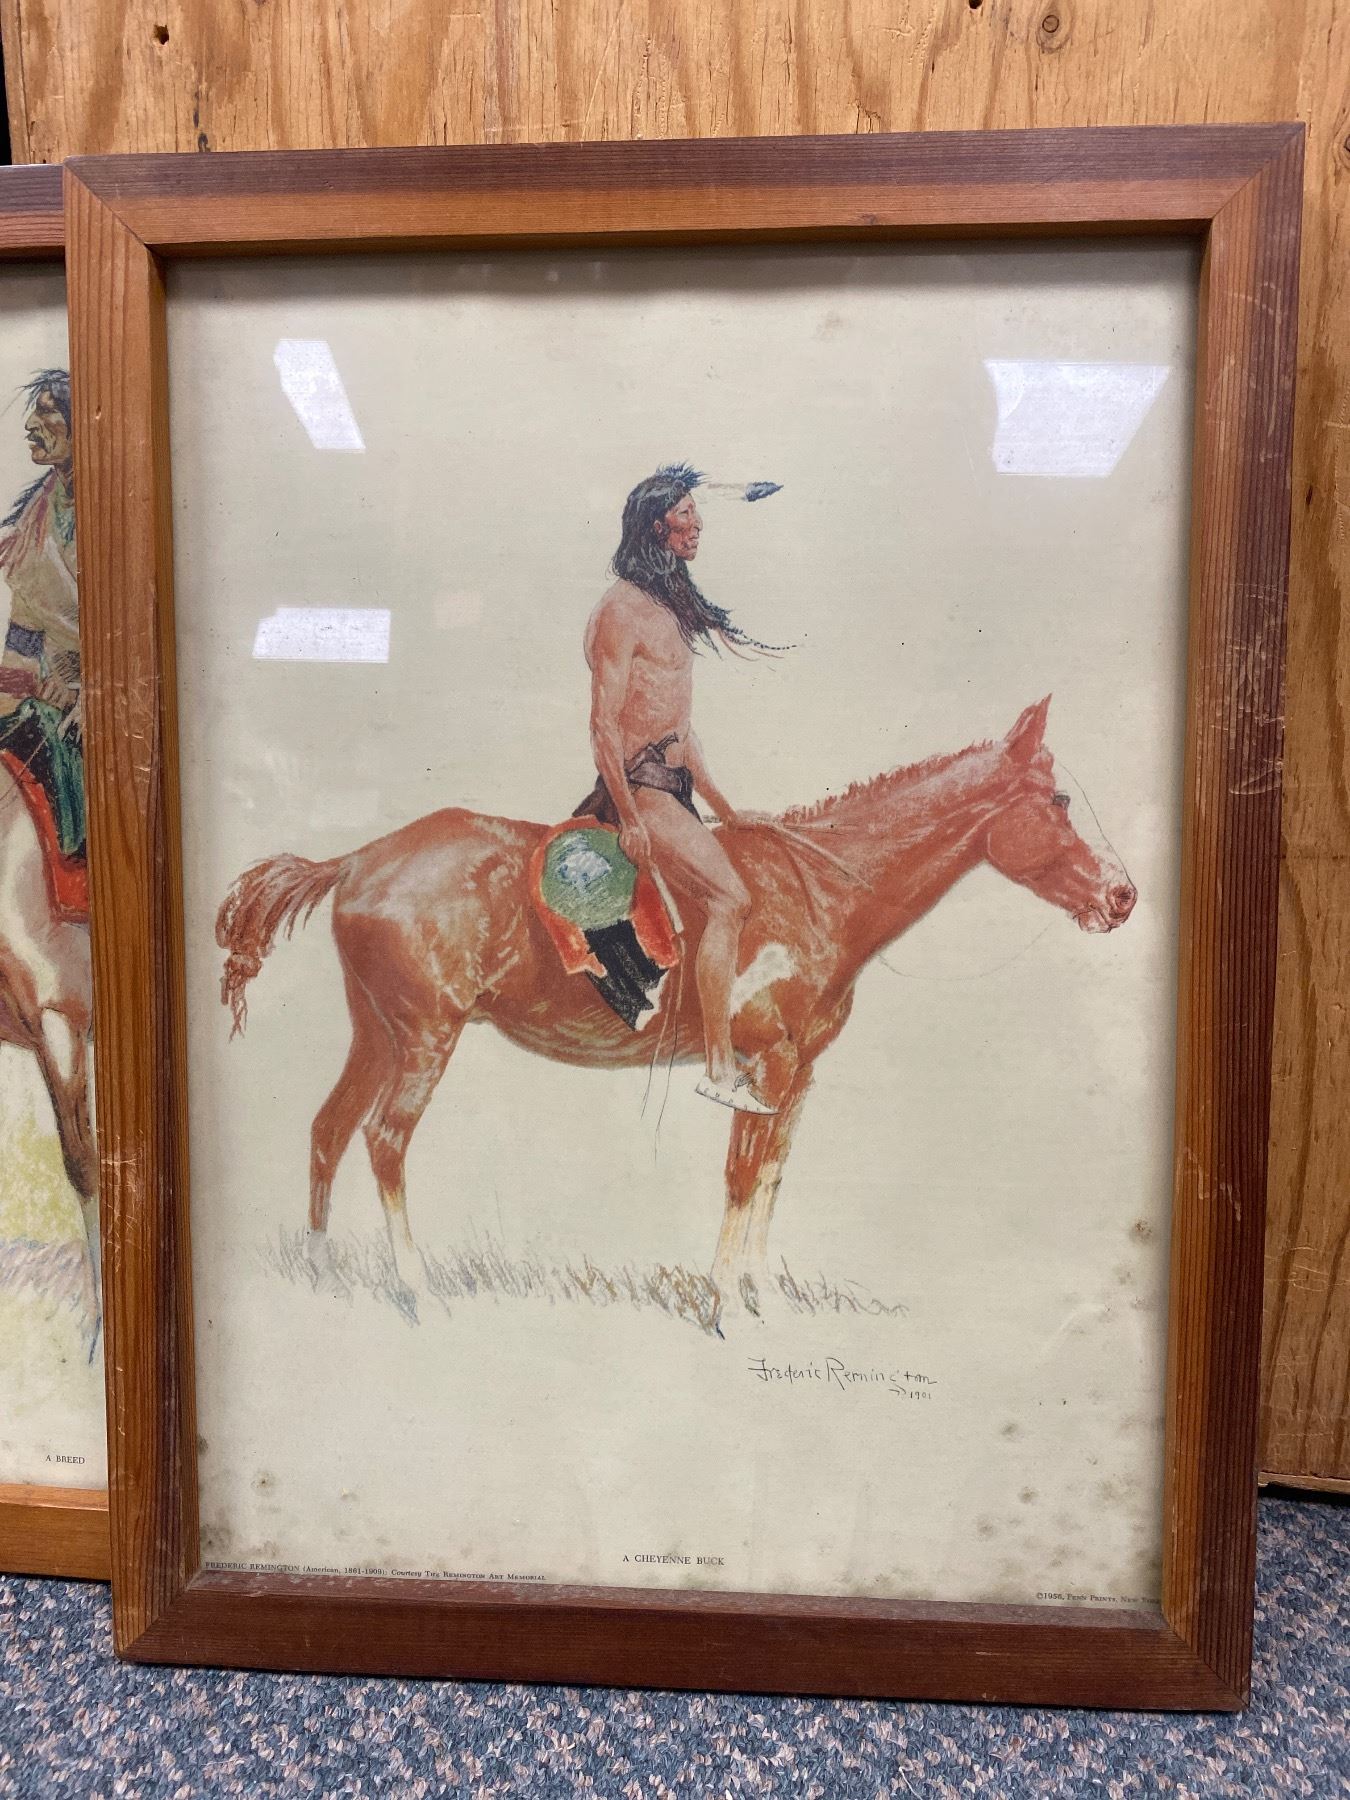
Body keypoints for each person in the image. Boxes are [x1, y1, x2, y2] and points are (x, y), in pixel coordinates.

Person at [577, 463, 776, 1114]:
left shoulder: (667, 607)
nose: (698, 525)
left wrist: (727, 811)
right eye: (686, 514)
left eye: (696, 512)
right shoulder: (620, 612)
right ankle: (718, 1069)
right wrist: (630, 817)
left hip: (673, 789)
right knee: (730, 900)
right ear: (655, 525)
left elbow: (681, 735)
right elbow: (604, 725)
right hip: (642, 792)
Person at [0, 369, 83, 863]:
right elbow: (25, 632)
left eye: (48, 411)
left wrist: (87, 692)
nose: (32, 423)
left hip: (99, 710)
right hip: (46, 694)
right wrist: (12, 691)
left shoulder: (114, 511)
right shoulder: (38, 516)